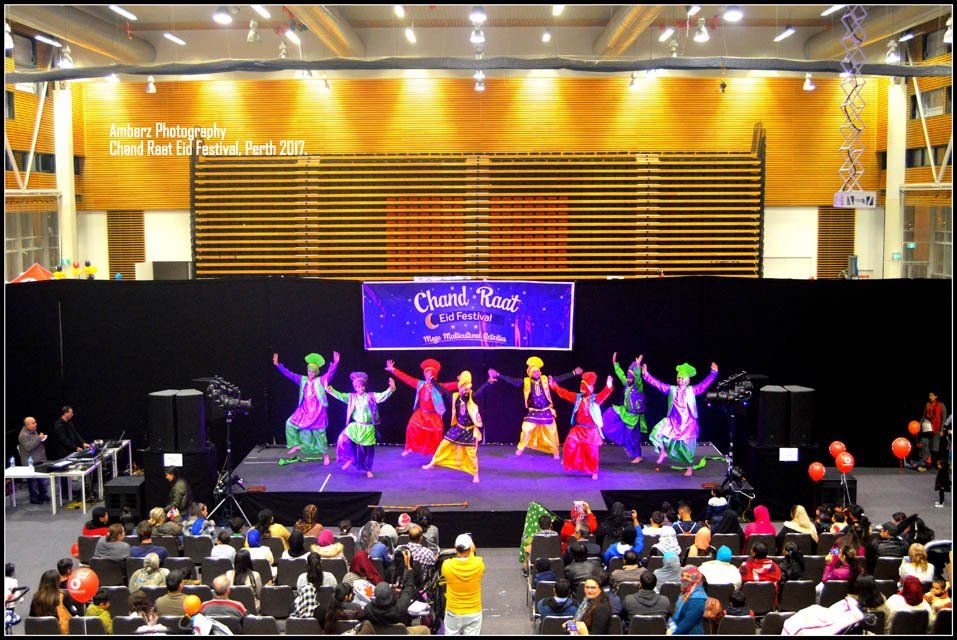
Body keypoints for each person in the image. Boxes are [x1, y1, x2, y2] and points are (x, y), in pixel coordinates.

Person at [488, 357, 582, 459]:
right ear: (530, 373)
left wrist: (573, 373)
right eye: (534, 372)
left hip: (546, 410)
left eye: (537, 371)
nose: (536, 373)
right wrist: (498, 375)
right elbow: (513, 380)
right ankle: (520, 448)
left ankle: (555, 452)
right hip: (533, 412)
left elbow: (560, 378)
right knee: (526, 429)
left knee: (552, 432)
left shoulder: (545, 379)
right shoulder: (526, 381)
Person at [639, 356, 719, 476]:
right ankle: (663, 451)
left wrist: (713, 373)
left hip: (687, 423)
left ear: (687, 380)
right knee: (657, 433)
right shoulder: (671, 389)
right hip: (673, 421)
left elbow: (704, 384)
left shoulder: (692, 390)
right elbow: (657, 384)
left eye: (683, 378)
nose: (680, 380)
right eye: (679, 378)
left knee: (686, 448)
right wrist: (646, 375)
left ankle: (689, 468)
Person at [273, 351, 341, 466]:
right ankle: (295, 445)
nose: (310, 373)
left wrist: (336, 363)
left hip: (318, 411)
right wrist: (278, 365)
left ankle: (325, 455)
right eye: (309, 371)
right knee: (289, 423)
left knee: (320, 434)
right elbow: (289, 374)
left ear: (316, 373)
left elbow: (330, 372)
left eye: (313, 371)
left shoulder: (321, 380)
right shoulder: (302, 379)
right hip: (304, 411)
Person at [423, 371, 489, 483]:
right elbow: (442, 390)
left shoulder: (473, 397)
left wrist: (489, 382)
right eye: (464, 388)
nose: (465, 391)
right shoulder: (455, 397)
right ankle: (433, 462)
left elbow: (481, 391)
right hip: (458, 428)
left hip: (469, 432)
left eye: (468, 388)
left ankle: (475, 474)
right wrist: (432, 380)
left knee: (471, 455)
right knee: (444, 444)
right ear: (460, 388)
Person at [327, 371, 396, 478]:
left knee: (367, 451)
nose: (360, 389)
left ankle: (368, 469)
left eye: (361, 386)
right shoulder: (351, 397)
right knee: (342, 438)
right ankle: (349, 459)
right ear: (355, 387)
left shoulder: (371, 396)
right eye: (357, 387)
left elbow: (382, 396)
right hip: (356, 426)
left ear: (364, 387)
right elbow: (340, 395)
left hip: (368, 427)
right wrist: (330, 390)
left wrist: (390, 389)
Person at [550, 371, 615, 480]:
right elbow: (564, 393)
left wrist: (608, 386)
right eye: (581, 387)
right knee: (569, 444)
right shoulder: (578, 398)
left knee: (592, 453)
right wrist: (553, 386)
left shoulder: (595, 399)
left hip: (591, 431)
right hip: (579, 428)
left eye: (584, 388)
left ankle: (594, 471)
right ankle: (568, 460)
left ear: (589, 388)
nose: (581, 390)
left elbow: (604, 394)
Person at [387, 358, 458, 457]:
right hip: (421, 413)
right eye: (427, 373)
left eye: (430, 373)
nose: (428, 375)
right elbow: (406, 378)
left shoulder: (439, 386)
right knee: (411, 427)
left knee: (436, 434)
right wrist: (393, 370)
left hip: (434, 415)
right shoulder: (420, 384)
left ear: (434, 375)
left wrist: (463, 381)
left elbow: (453, 385)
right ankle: (409, 447)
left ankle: (437, 453)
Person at [601, 353, 648, 464]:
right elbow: (620, 374)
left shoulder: (638, 387)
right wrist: (615, 364)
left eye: (630, 377)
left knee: (633, 437)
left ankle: (638, 456)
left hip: (634, 417)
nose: (628, 378)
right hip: (625, 412)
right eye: (628, 376)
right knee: (610, 412)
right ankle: (603, 430)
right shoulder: (627, 383)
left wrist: (637, 367)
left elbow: (638, 379)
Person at [442, 533, 485, 635]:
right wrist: (472, 551)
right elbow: (472, 558)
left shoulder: (447, 565)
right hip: (474, 611)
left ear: (455, 548)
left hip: (453, 611)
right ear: (471, 548)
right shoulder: (479, 564)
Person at [17, 416, 51, 503]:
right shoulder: (23, 435)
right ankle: (34, 498)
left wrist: (41, 439)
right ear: (27, 425)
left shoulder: (33, 431)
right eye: (33, 423)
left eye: (35, 422)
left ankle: (43, 494)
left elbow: (35, 442)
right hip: (30, 461)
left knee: (42, 479)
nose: (36, 424)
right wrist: (39, 438)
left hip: (39, 458)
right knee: (33, 481)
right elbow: (29, 447)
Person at [669, 566, 708, 635]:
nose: (681, 580)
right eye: (682, 576)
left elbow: (687, 624)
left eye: (686, 579)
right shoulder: (686, 592)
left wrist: (673, 633)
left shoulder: (697, 599)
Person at [29, 569, 70, 634]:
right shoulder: (63, 596)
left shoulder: (36, 597)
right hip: (58, 632)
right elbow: (72, 613)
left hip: (39, 631)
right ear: (57, 582)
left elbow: (31, 617)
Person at [917, 391, 946, 470]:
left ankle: (935, 464)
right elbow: (923, 416)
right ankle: (925, 463)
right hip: (927, 429)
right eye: (929, 395)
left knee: (935, 448)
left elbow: (943, 418)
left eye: (931, 395)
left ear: (936, 396)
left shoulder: (941, 405)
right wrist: (919, 424)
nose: (930, 397)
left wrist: (941, 430)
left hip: (936, 429)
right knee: (925, 446)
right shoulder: (927, 404)